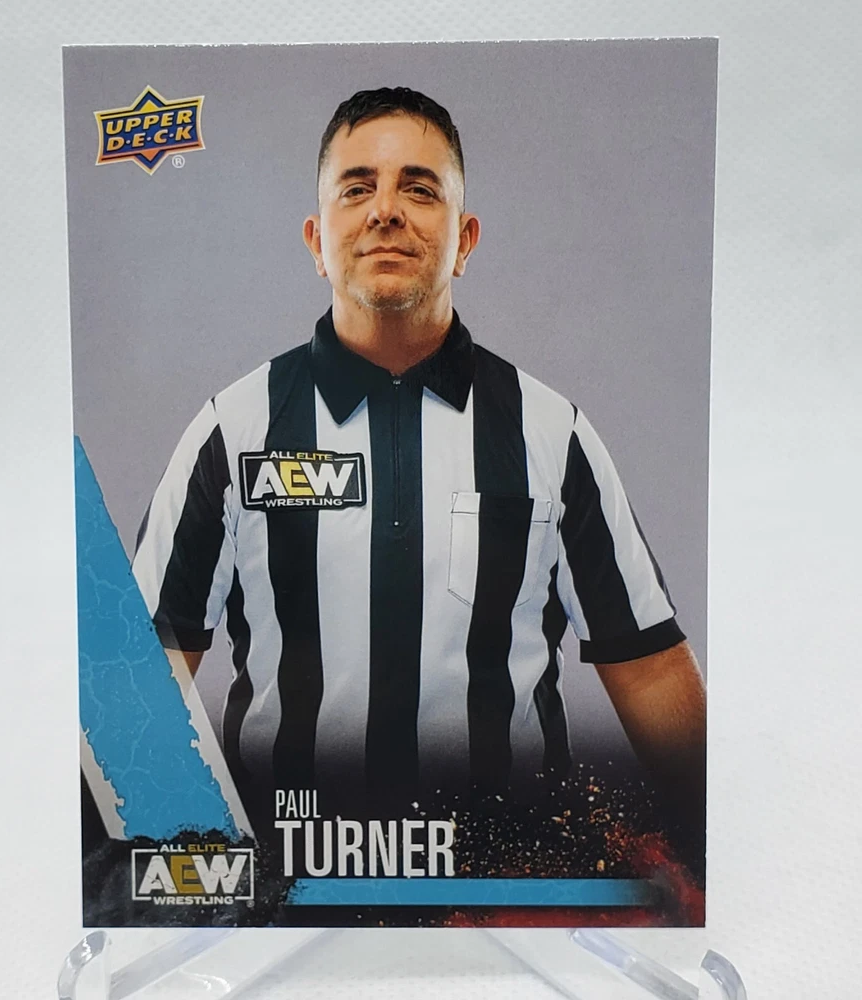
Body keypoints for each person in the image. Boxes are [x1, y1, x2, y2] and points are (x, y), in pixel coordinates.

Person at [132, 87, 706, 840]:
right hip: (294, 875)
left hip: (502, 879)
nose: (385, 210)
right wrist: (140, 882)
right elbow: (142, 685)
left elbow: (650, 667)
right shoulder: (231, 432)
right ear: (315, 241)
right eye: (357, 187)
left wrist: (710, 869)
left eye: (420, 188)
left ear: (465, 240)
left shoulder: (549, 432)